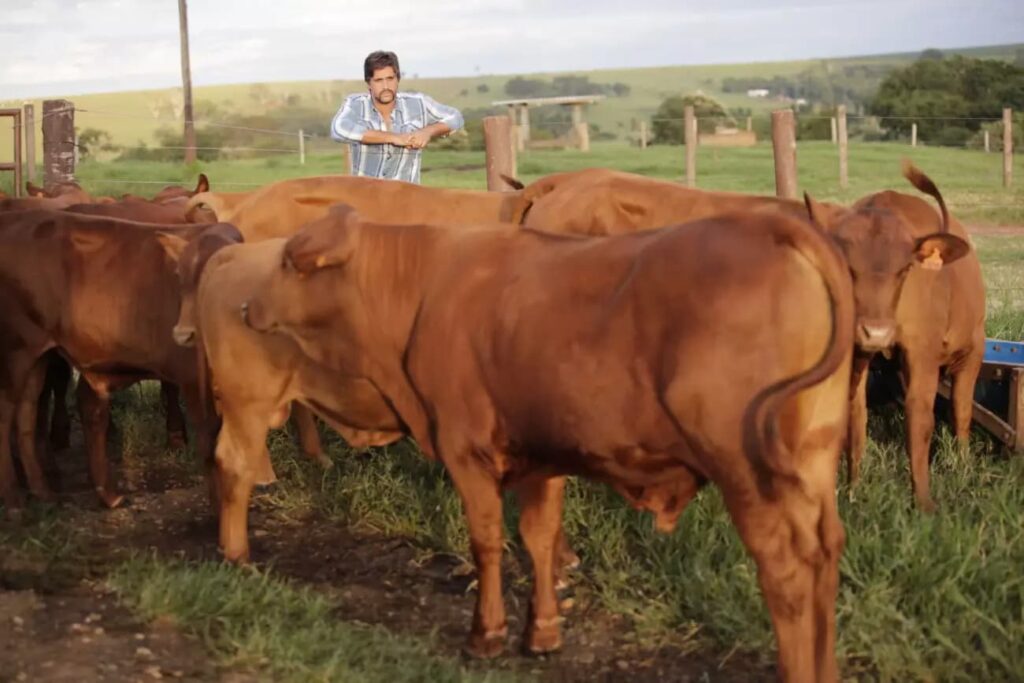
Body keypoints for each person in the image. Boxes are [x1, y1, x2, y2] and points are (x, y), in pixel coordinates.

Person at [330, 50, 464, 183]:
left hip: (407, 198)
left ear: (398, 79)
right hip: (366, 197)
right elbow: (338, 129)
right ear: (368, 84)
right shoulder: (355, 104)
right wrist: (394, 138)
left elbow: (456, 117)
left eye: (390, 79)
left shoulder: (419, 103)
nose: (386, 86)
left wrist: (427, 132)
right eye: (378, 80)